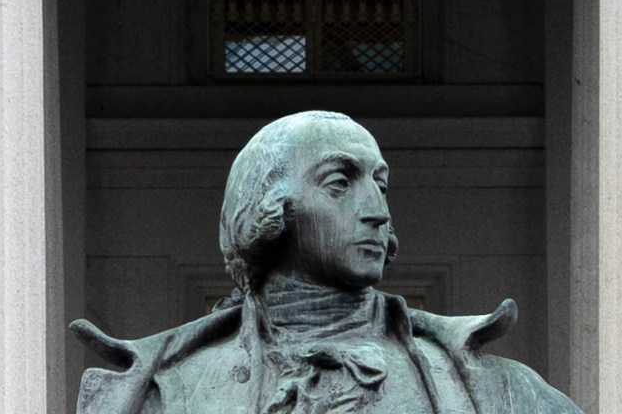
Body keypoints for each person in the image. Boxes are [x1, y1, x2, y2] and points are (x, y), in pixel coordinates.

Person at [71, 111, 582, 414]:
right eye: (341, 184)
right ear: (269, 209)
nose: (378, 211)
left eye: (380, 185)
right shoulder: (165, 393)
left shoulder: (500, 392)